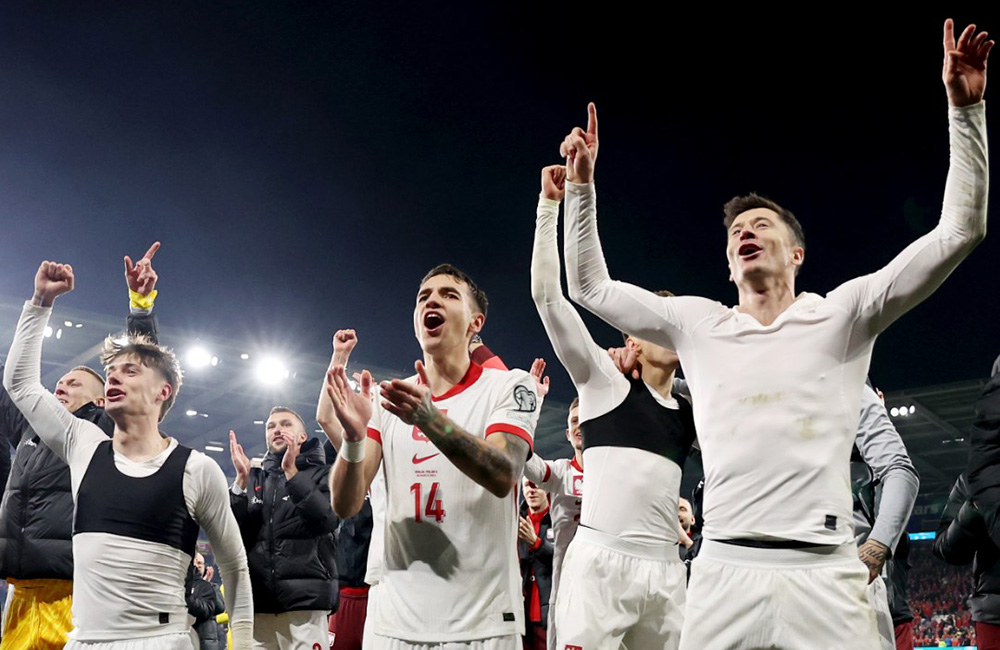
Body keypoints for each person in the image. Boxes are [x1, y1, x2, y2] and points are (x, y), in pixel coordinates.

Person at [558, 19, 989, 649]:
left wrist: (966, 112)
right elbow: (589, 286)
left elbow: (959, 232)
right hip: (723, 573)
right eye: (736, 231)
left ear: (797, 254)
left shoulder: (844, 315)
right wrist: (581, 186)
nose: (745, 232)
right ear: (729, 264)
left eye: (761, 225)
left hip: (826, 574)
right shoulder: (698, 325)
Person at [3, 260, 253, 649]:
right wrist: (40, 303)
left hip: (161, 639)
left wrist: (247, 645)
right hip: (83, 639)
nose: (116, 376)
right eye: (112, 371)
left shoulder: (197, 469)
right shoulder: (84, 444)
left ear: (163, 392)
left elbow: (235, 567)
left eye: (130, 371)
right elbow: (20, 383)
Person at [325, 264, 540, 649]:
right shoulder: (387, 400)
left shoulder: (511, 385)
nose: (432, 301)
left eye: (449, 295)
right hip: (392, 624)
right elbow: (346, 504)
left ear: (476, 323)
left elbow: (504, 472)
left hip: (481, 625)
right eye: (423, 296)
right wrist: (354, 440)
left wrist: (430, 419)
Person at [529, 164, 695, 649]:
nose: (668, 333)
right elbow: (548, 298)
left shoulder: (691, 407)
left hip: (666, 572)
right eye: (654, 325)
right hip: (601, 565)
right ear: (631, 338)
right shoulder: (604, 381)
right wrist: (549, 207)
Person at [0, 243, 162, 650]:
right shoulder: (32, 427)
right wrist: (39, 301)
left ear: (101, 399)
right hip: (20, 594)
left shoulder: (104, 428)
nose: (60, 387)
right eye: (59, 382)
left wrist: (140, 309)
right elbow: (14, 381)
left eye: (74, 384)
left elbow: (142, 375)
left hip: (75, 594)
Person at [230, 405, 338, 650]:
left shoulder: (323, 474)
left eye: (286, 424)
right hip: (259, 604)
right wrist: (240, 483)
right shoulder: (255, 479)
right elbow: (231, 536)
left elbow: (326, 520)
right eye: (271, 426)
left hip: (306, 604)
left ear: (303, 437)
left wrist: (292, 474)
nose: (277, 429)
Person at [520, 397, 583, 650]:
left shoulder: (613, 473)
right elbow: (527, 461)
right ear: (568, 434)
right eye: (575, 421)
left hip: (607, 577)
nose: (580, 426)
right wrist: (530, 407)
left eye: (585, 420)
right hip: (566, 580)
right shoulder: (559, 472)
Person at [517, 479, 552, 650]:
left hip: (547, 613)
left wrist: (537, 543)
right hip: (520, 614)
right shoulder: (514, 519)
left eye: (536, 486)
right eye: (527, 486)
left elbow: (566, 558)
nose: (531, 490)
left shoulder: (561, 518)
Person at [187, 553, 226, 650]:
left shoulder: (213, 586)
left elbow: (220, 607)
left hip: (208, 640)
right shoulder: (184, 586)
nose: (198, 566)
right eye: (195, 563)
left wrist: (206, 586)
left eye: (200, 563)